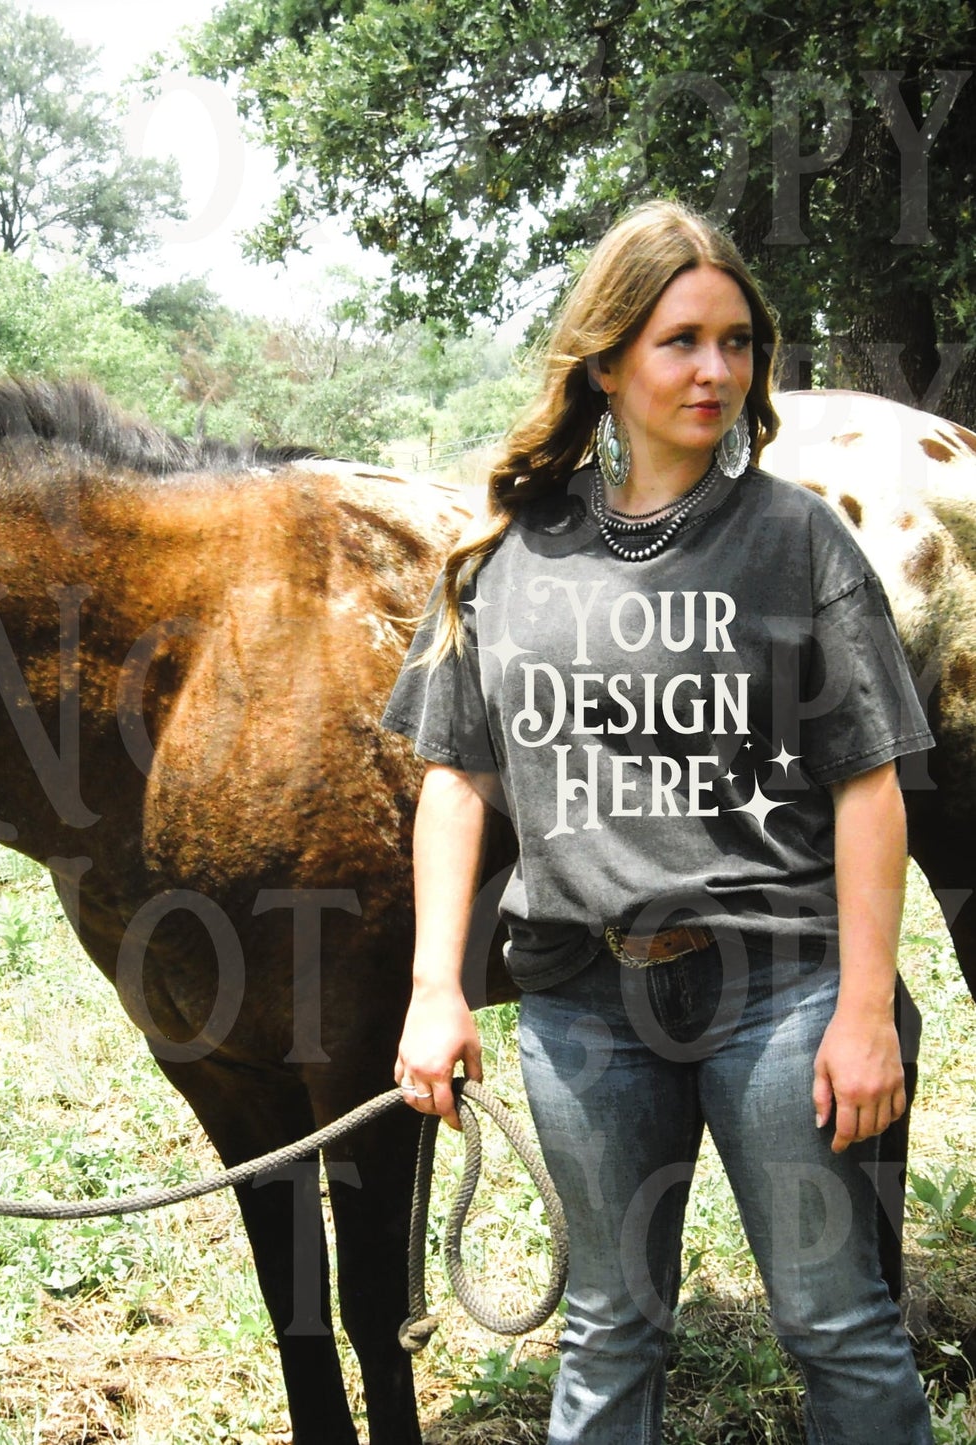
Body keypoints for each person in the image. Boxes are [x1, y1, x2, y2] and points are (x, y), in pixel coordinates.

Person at [381, 199, 935, 1444]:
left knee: (832, 1323)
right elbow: (455, 781)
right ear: (606, 356)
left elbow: (866, 783)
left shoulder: (793, 542)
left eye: (735, 341)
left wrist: (859, 1009)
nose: (715, 371)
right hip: (583, 1004)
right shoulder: (505, 554)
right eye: (681, 340)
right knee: (607, 1327)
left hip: (778, 991)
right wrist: (433, 987)